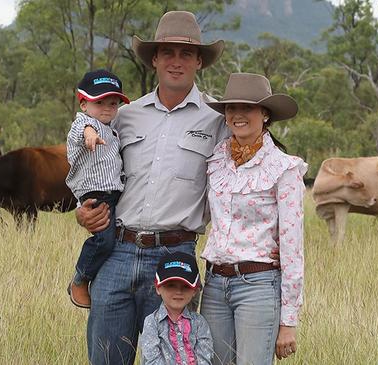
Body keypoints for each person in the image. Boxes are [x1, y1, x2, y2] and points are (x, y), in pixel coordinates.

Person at [75, 11, 228, 365]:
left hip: (176, 256)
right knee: (106, 357)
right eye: (168, 53)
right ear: (155, 58)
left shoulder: (217, 120)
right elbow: (93, 167)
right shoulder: (126, 115)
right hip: (118, 250)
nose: (176, 62)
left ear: (199, 61)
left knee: (177, 359)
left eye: (186, 54)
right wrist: (83, 208)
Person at [201, 73, 307, 365]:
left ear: (265, 114)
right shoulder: (215, 161)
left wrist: (289, 321)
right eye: (232, 108)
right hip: (214, 283)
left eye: (247, 108)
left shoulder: (283, 169)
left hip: (258, 285)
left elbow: (292, 246)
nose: (238, 115)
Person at [65, 69, 131, 308]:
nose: (106, 108)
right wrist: (90, 134)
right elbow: (81, 130)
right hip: (95, 192)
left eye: (113, 103)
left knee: (112, 236)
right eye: (99, 102)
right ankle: (80, 279)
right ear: (83, 103)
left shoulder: (112, 128)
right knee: (104, 240)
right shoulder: (85, 124)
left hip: (111, 192)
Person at [139, 252, 213, 365]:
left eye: (185, 286)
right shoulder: (151, 322)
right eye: (171, 285)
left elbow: (205, 358)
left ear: (194, 290)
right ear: (158, 288)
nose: (178, 292)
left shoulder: (199, 323)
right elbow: (152, 360)